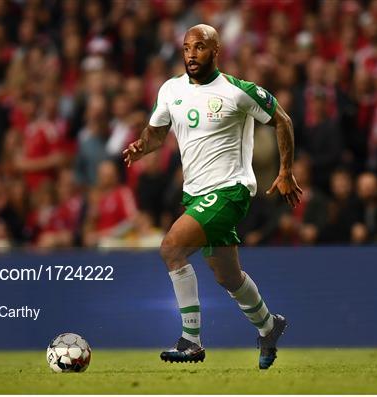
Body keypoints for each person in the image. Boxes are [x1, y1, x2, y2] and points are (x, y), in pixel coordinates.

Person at [123, 24, 302, 369]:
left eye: (200, 47)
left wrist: (285, 171)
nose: (191, 54)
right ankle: (269, 326)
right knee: (228, 276)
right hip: (196, 195)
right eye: (187, 48)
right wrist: (142, 146)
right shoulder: (171, 89)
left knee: (171, 248)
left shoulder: (237, 91)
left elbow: (282, 120)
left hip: (230, 191)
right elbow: (157, 132)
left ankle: (191, 341)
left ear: (216, 51)